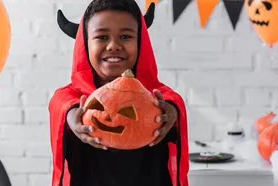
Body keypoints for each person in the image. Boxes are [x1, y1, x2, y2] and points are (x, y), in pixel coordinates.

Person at [48, 1, 188, 186]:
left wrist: (170, 110)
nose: (113, 45)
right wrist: (74, 115)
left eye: (125, 36)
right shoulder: (72, 98)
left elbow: (172, 99)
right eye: (102, 37)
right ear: (85, 44)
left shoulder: (157, 97)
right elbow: (61, 102)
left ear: (140, 42)